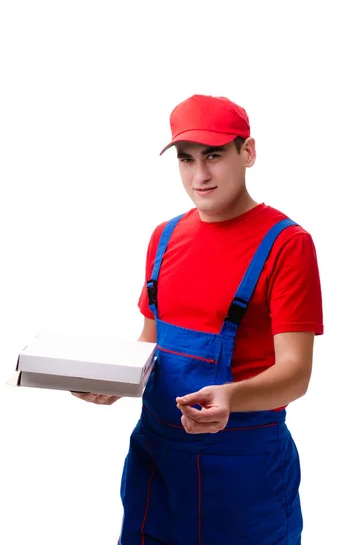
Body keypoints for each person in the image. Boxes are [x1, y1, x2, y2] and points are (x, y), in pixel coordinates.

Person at [73, 94, 323, 544]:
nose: (200, 175)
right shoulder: (164, 237)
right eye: (186, 160)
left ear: (247, 152)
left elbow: (295, 374)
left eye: (214, 156)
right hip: (156, 460)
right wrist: (113, 381)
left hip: (244, 470)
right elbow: (150, 342)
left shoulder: (287, 244)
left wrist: (230, 396)